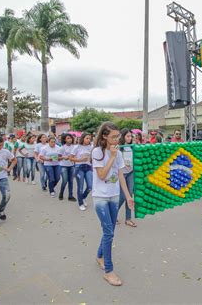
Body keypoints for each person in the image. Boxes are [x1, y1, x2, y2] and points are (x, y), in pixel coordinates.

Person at [92, 122, 134, 286]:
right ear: (104, 136)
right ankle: (108, 271)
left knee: (109, 230)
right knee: (109, 232)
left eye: (118, 136)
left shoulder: (118, 152)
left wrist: (128, 196)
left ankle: (99, 255)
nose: (117, 139)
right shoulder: (97, 152)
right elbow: (102, 175)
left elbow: (121, 175)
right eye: (114, 137)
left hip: (115, 195)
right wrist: (112, 156)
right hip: (101, 198)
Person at [118, 129, 136, 227]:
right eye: (127, 136)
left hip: (131, 173)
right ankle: (113, 214)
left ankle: (128, 219)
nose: (129, 138)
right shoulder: (119, 148)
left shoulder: (132, 147)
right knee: (123, 196)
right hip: (122, 174)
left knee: (129, 196)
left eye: (130, 136)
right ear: (123, 136)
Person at [70, 133, 93, 211]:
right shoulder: (76, 147)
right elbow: (71, 158)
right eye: (87, 138)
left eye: (90, 138)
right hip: (79, 168)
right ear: (83, 138)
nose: (89, 140)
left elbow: (93, 158)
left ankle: (83, 197)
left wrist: (91, 159)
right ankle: (80, 203)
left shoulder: (91, 147)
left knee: (90, 186)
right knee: (80, 187)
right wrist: (80, 160)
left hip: (88, 167)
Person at [59, 133, 76, 201]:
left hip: (71, 166)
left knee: (71, 181)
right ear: (65, 140)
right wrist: (63, 157)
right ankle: (61, 193)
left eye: (70, 138)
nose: (70, 139)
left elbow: (76, 155)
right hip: (63, 166)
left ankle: (70, 196)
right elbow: (57, 157)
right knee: (65, 181)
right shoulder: (62, 147)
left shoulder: (74, 147)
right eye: (68, 138)